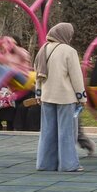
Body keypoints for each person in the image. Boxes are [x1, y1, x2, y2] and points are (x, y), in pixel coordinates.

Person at [34, 23, 87, 172]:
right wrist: (81, 97)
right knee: (67, 132)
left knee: (47, 132)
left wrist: (38, 93)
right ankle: (68, 164)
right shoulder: (69, 51)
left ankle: (45, 164)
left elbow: (38, 75)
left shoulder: (42, 50)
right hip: (66, 97)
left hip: (46, 96)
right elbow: (76, 77)